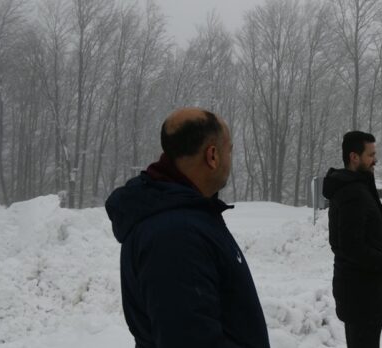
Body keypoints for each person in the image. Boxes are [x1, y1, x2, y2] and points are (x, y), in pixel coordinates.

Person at [105, 107, 270, 348]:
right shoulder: (175, 236)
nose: (230, 158)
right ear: (212, 156)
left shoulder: (185, 216)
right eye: (230, 150)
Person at [322, 131, 382, 348]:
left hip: (363, 292)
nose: (375, 160)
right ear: (354, 157)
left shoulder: (358, 187)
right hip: (361, 295)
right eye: (370, 155)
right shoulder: (352, 193)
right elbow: (348, 246)